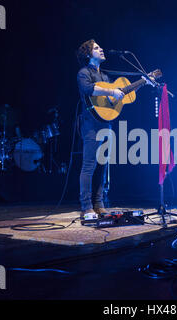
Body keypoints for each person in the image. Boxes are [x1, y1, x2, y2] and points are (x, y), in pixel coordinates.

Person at [76, 39, 124, 219]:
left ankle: (99, 203)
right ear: (88, 54)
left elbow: (110, 99)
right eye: (96, 48)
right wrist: (112, 92)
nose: (101, 49)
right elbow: (88, 89)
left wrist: (120, 95)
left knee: (103, 165)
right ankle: (86, 206)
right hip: (90, 124)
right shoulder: (83, 73)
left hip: (106, 124)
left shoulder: (104, 76)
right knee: (89, 165)